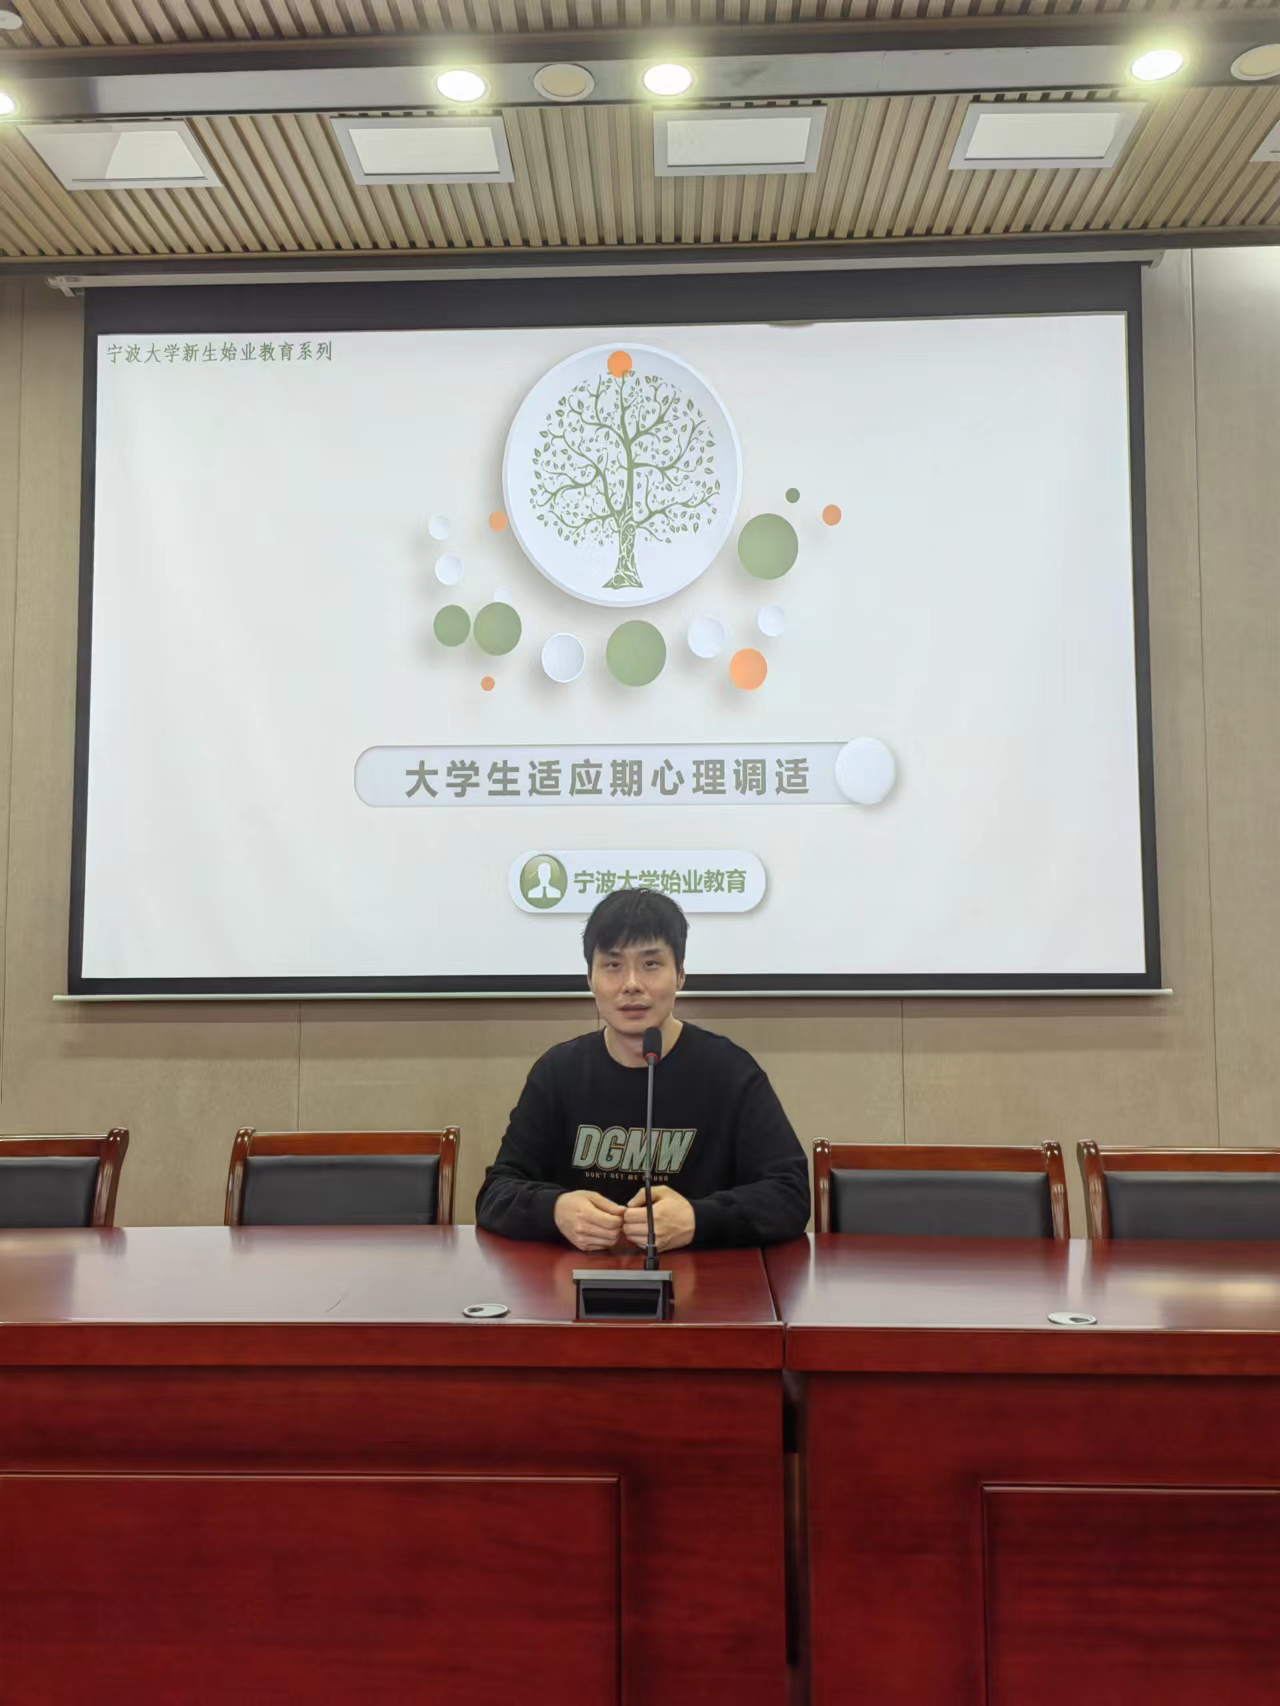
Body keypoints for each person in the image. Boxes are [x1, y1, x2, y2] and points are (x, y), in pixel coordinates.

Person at [476, 888, 810, 1251]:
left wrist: (698, 1219)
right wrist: (555, 1209)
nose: (631, 984)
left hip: (701, 1277)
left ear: (679, 975)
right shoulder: (558, 1072)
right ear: (589, 979)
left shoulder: (729, 1071)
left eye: (651, 964)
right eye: (613, 965)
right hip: (579, 1277)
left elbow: (790, 1195)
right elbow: (496, 1192)